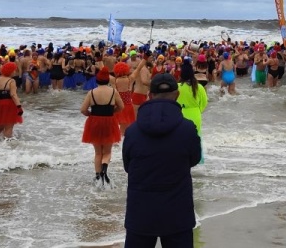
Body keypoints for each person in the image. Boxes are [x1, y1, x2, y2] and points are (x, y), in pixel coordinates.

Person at [122, 73, 202, 248]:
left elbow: (128, 166)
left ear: (150, 95)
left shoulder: (133, 131)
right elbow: (194, 159)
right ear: (177, 94)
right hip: (178, 210)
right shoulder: (188, 129)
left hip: (140, 211)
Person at [81, 66, 125, 185]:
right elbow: (121, 107)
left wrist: (90, 114)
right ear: (107, 80)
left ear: (97, 80)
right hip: (109, 121)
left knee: (98, 153)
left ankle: (97, 176)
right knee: (107, 151)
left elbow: (83, 109)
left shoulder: (92, 92)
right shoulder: (113, 92)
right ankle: (104, 169)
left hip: (94, 121)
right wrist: (112, 112)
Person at [0, 62, 24, 139]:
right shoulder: (11, 81)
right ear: (10, 71)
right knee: (9, 126)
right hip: (8, 103)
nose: (15, 72)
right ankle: (7, 145)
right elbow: (13, 95)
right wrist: (19, 107)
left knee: (0, 125)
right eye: (14, 70)